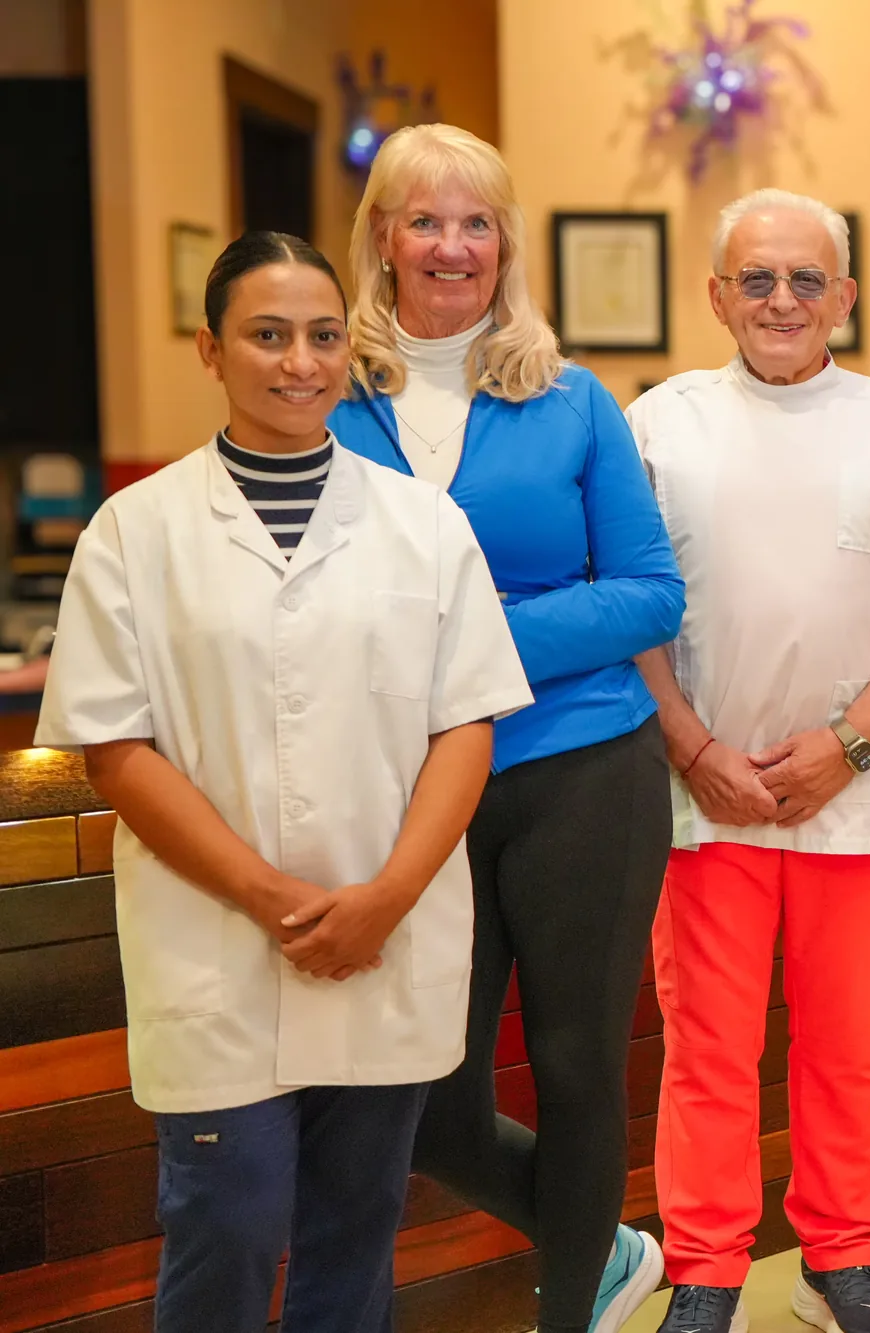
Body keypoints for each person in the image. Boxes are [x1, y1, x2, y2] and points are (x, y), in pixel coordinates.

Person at [34, 231, 533, 1333]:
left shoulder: (423, 524)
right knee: (231, 1219)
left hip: (385, 931)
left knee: (356, 1230)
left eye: (320, 336)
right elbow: (116, 747)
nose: (299, 362)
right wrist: (271, 897)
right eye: (267, 336)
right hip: (217, 942)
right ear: (211, 351)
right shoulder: (136, 530)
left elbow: (467, 726)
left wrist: (387, 897)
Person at [626, 188, 870, 1333]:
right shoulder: (659, 423)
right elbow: (629, 610)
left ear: (845, 295)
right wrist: (692, 749)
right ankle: (703, 1265)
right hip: (706, 801)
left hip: (855, 798)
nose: (781, 300)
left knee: (842, 1044)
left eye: (806, 280)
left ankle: (841, 1254)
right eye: (756, 279)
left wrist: (846, 747)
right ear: (716, 296)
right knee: (709, 1049)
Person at [328, 124, 687, 1333]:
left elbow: (648, 589)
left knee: (584, 1066)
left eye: (475, 221)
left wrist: (469, 651)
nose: (451, 245)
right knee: (430, 1096)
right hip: (410, 788)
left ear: (505, 244)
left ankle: (568, 1309)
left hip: (581, 764)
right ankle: (607, 1244)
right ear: (382, 236)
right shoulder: (325, 400)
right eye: (424, 219)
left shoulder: (572, 397)